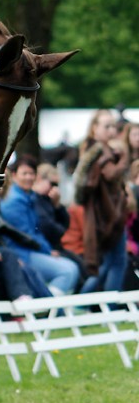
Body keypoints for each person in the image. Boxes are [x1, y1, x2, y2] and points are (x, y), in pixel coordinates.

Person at [0, 155, 79, 296]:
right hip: (22, 253)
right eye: (25, 173)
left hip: (33, 250)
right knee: (67, 271)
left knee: (72, 268)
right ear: (15, 175)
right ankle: (47, 307)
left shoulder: (29, 196)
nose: (29, 177)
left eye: (32, 173)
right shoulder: (13, 201)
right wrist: (48, 251)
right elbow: (26, 235)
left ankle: (47, 304)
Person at [73, 111, 129, 294]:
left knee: (109, 262)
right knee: (112, 262)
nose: (112, 130)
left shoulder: (97, 148)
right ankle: (98, 305)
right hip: (105, 215)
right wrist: (124, 158)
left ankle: (86, 304)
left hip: (109, 213)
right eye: (107, 126)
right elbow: (110, 173)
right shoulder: (96, 149)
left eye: (113, 126)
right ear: (94, 128)